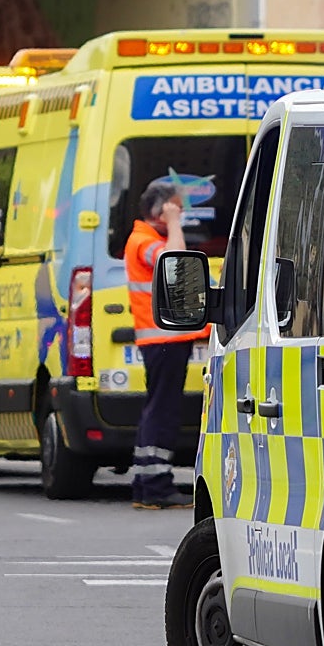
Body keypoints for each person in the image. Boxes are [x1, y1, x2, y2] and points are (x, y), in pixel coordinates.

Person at [123, 181, 208, 510]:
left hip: (164, 339)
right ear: (160, 211)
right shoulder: (144, 241)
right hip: (163, 339)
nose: (181, 215)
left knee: (157, 409)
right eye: (176, 209)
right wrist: (173, 223)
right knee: (163, 411)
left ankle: (146, 483)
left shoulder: (145, 238)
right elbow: (177, 262)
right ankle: (156, 486)